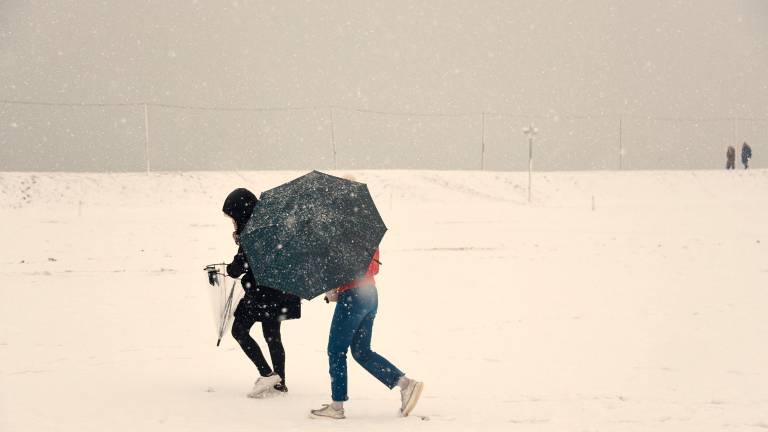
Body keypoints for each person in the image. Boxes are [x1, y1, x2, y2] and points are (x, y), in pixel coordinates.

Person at [310, 249, 424, 419]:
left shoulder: (343, 236)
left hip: (353, 296)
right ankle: (405, 384)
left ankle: (337, 406)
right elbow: (368, 267)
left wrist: (334, 288)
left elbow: (344, 267)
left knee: (336, 350)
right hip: (369, 293)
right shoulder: (365, 233)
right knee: (361, 351)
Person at [222, 188, 301, 398]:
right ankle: (280, 383)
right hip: (281, 290)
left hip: (264, 293)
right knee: (272, 335)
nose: (232, 222)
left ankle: (267, 374)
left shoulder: (253, 232)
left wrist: (234, 261)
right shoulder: (271, 224)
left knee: (239, 330)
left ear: (241, 213)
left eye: (232, 218)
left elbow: (237, 267)